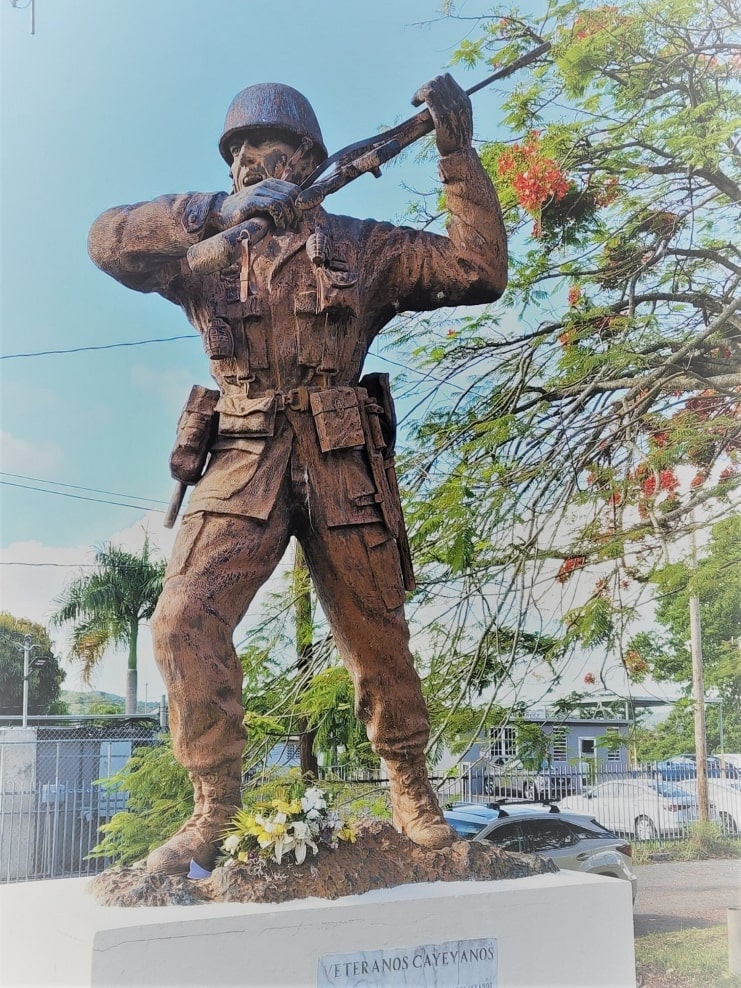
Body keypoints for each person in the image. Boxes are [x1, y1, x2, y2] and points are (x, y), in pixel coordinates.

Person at [89, 75, 507, 875]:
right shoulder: (203, 257)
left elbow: (476, 269)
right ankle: (213, 807)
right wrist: (213, 214)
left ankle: (410, 787)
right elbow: (108, 241)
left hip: (341, 454)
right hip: (241, 454)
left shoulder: (365, 244)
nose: (250, 162)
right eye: (238, 155)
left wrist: (456, 154)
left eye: (267, 149)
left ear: (312, 157)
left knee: (376, 634)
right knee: (180, 619)